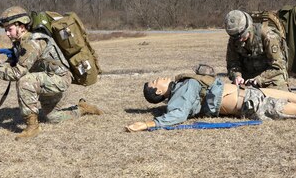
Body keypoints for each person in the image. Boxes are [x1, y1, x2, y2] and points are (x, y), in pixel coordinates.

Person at [0, 6, 103, 139]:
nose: (7, 34)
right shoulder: (20, 43)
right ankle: (82, 108)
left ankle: (32, 128)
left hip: (59, 79)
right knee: (52, 117)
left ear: (21, 26)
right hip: (47, 78)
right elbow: (15, 65)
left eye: (9, 29)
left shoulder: (33, 42)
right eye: (5, 30)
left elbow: (17, 74)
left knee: (24, 81)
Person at [126, 72, 296, 132]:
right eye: (155, 82)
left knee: (290, 95)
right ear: (158, 92)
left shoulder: (180, 86)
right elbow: (178, 115)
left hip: (249, 92)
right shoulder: (179, 96)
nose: (159, 79)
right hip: (250, 104)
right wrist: (149, 124)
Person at [225, 9, 289, 91]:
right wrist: (237, 76)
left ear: (249, 28)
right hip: (248, 79)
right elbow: (232, 64)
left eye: (242, 36)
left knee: (275, 101)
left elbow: (278, 67)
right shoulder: (235, 39)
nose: (239, 40)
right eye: (236, 37)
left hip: (270, 78)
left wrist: (259, 79)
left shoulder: (268, 36)